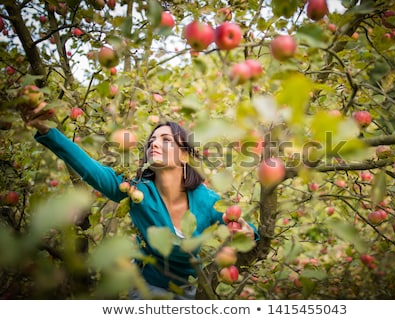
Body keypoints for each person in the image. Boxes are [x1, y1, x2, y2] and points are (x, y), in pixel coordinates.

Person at [21, 109, 259, 300]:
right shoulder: (136, 193)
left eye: (165, 140)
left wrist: (251, 233)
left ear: (184, 156)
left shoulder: (206, 200)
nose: (154, 143)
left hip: (189, 292)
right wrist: (47, 130)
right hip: (147, 290)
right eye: (152, 140)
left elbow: (242, 227)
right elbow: (90, 168)